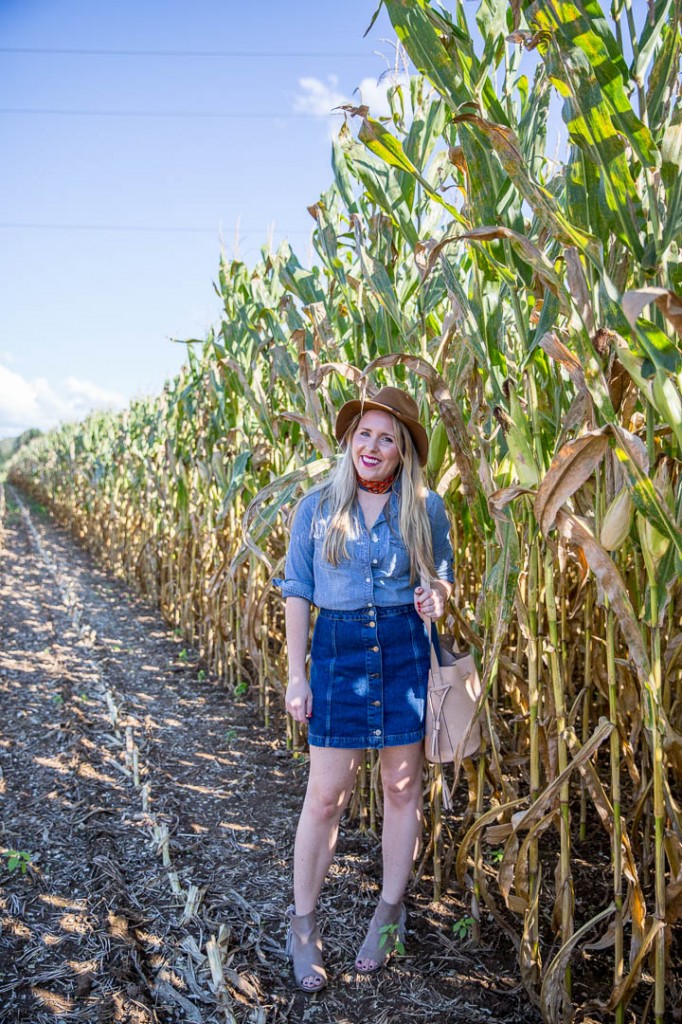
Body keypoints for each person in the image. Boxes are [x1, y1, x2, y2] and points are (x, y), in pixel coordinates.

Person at [277, 385, 454, 992]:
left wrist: (436, 597)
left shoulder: (426, 508)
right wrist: (297, 674)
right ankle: (304, 926)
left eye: (386, 437)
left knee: (401, 788)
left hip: (404, 648)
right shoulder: (316, 507)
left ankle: (388, 914)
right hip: (338, 652)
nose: (372, 446)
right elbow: (297, 589)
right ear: (349, 441)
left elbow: (443, 580)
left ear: (403, 450)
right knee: (325, 797)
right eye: (363, 434)